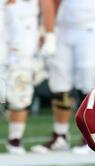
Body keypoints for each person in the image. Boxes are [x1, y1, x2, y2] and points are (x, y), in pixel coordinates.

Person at [31, 0, 95, 155]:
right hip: (64, 26)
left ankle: (93, 137)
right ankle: (60, 135)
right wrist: (47, 31)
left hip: (93, 27)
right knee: (59, 81)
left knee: (91, 81)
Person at [5, 0, 56, 155]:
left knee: (21, 91)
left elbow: (46, 4)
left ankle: (15, 138)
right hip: (4, 32)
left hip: (24, 38)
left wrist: (48, 34)